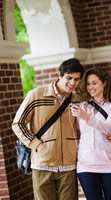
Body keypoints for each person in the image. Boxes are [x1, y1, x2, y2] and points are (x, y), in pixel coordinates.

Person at [12, 58, 84, 200]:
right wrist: (36, 144)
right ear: (59, 75)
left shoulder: (77, 99)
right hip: (42, 164)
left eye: (76, 79)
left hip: (69, 165)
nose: (72, 83)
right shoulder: (36, 95)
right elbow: (18, 124)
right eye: (69, 78)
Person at [71, 67, 111, 200]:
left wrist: (87, 118)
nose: (90, 87)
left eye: (94, 83)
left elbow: (108, 127)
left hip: (110, 164)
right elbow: (77, 132)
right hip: (86, 165)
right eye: (88, 84)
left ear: (104, 83)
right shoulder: (81, 107)